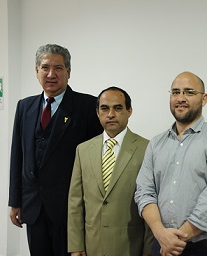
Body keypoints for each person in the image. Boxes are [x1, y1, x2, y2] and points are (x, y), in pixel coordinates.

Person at [8, 44, 103, 256]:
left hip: (70, 209)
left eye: (58, 68)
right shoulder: (25, 107)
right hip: (33, 207)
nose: (51, 74)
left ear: (68, 72)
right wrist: (15, 201)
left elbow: (95, 163)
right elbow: (18, 156)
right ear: (36, 71)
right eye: (45, 67)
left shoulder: (87, 106)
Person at [135, 71, 207, 256]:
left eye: (189, 92)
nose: (180, 98)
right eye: (175, 92)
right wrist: (160, 234)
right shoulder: (156, 144)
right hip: (162, 244)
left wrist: (175, 240)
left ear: (204, 99)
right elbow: (144, 192)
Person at [68, 86, 153, 256]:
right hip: (92, 245)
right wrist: (76, 246)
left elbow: (151, 203)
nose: (111, 114)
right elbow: (75, 202)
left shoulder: (147, 149)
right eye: (105, 108)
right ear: (98, 113)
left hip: (130, 246)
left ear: (129, 111)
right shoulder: (83, 150)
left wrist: (148, 251)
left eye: (118, 108)